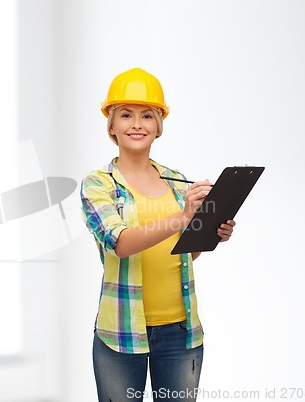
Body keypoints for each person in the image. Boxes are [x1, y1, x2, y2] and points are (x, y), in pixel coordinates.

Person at [80, 68, 236, 401]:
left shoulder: (176, 180)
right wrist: (182, 217)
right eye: (126, 115)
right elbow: (120, 244)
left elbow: (184, 253)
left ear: (158, 126)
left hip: (180, 332)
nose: (136, 124)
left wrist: (210, 234)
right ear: (111, 125)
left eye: (147, 115)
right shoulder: (98, 184)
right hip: (121, 333)